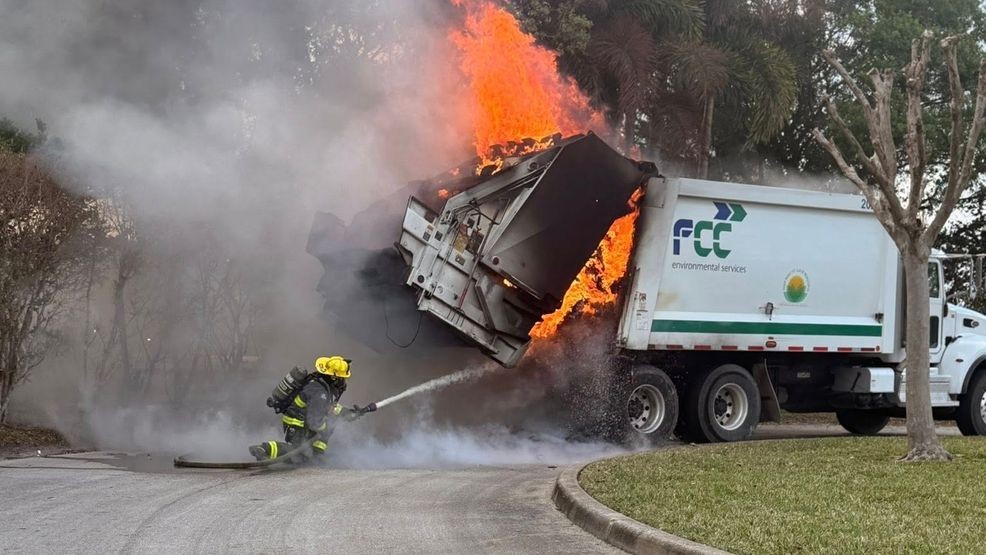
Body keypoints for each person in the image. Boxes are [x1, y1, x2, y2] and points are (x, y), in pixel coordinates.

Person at [249, 355, 369, 463]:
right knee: (298, 454)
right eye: (341, 378)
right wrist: (328, 426)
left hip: (303, 420)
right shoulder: (320, 393)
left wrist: (349, 413)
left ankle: (317, 455)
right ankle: (264, 449)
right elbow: (315, 423)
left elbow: (329, 408)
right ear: (333, 377)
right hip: (296, 422)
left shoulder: (322, 386)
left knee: (329, 424)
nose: (343, 381)